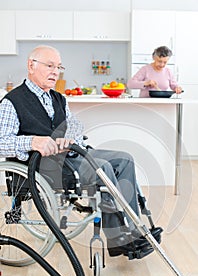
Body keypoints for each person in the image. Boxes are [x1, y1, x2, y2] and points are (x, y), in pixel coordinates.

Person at [0, 45, 162, 259]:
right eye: (50, 65)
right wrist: (32, 142)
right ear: (31, 65)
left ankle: (133, 229)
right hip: (44, 167)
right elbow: (2, 142)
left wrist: (71, 135)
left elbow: (75, 124)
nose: (55, 72)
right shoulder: (12, 102)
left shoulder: (58, 98)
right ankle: (118, 238)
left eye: (58, 67)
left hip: (70, 156)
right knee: (103, 168)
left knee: (124, 159)